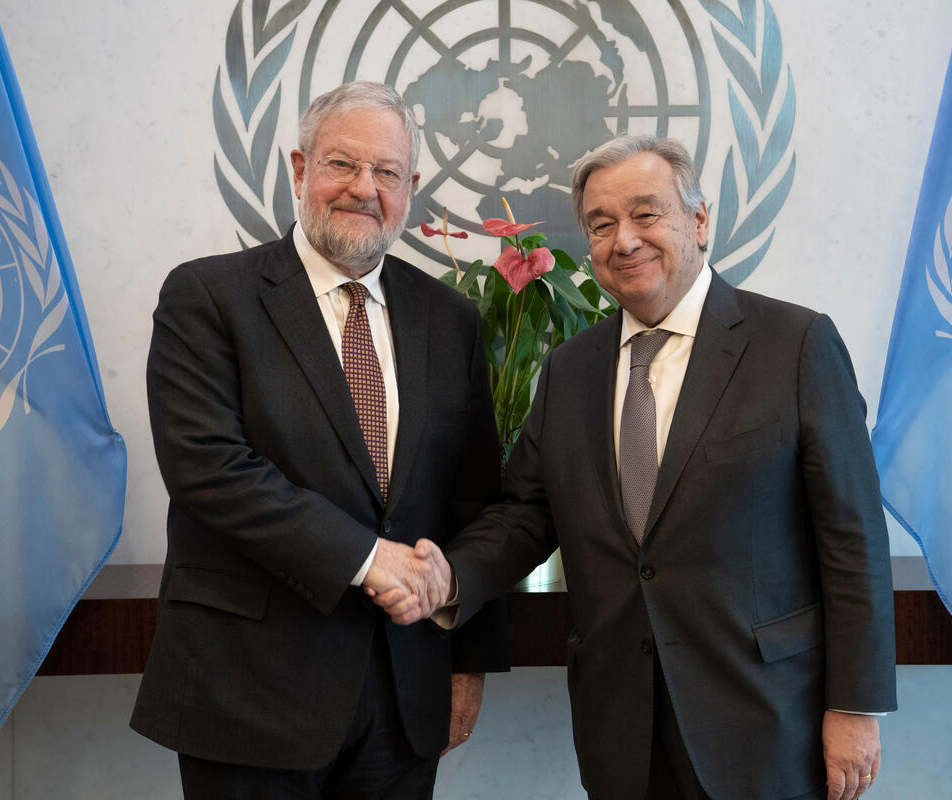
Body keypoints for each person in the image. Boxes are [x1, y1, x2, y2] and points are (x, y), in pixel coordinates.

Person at [381, 136, 897, 800]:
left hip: (765, 724)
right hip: (621, 729)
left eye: (646, 214)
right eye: (601, 225)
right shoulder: (570, 370)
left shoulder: (795, 346)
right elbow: (525, 516)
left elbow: (852, 538)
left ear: (699, 221)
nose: (624, 240)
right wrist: (449, 576)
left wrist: (855, 707)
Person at [131, 81, 508, 798]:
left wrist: (467, 662)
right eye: (342, 164)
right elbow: (208, 467)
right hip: (249, 692)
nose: (364, 188)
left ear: (411, 189)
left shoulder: (449, 318)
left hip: (404, 697)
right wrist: (368, 559)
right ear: (300, 169)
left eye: (387, 171)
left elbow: (473, 500)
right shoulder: (208, 296)